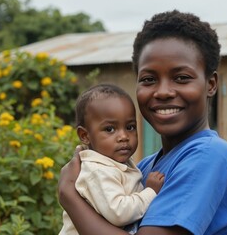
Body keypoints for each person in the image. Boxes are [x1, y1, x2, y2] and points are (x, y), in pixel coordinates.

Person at [58, 10, 227, 235]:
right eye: (149, 79)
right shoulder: (142, 168)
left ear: (210, 84)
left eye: (181, 78)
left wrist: (69, 197)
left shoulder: (210, 156)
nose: (163, 92)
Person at [59, 84, 165, 235]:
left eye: (130, 127)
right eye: (110, 129)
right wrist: (151, 192)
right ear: (85, 136)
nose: (123, 136)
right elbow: (119, 213)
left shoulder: (116, 163)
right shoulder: (97, 170)